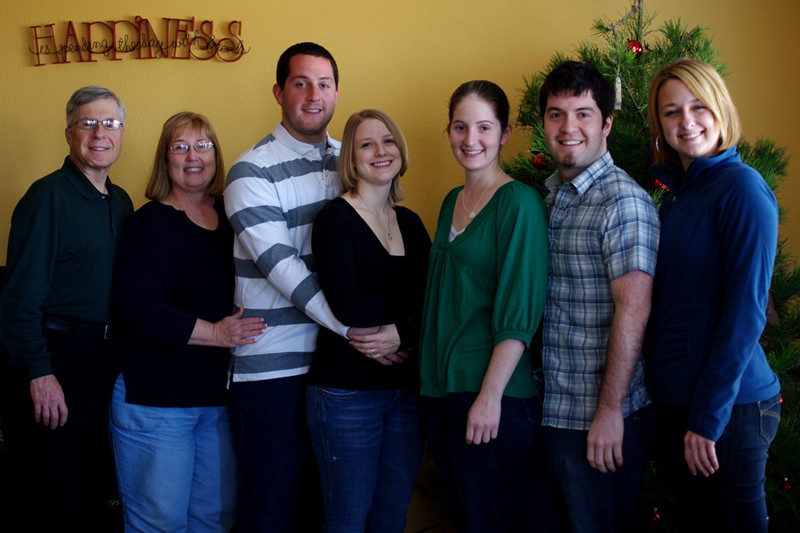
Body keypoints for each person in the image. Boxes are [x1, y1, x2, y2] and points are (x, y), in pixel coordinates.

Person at [224, 42, 391, 532]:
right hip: (274, 369)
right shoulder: (251, 171)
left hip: (338, 368)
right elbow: (288, 272)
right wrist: (358, 331)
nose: (313, 95)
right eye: (300, 83)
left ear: (337, 93)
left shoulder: (356, 160)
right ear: (279, 92)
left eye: (323, 84)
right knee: (270, 508)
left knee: (328, 509)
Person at [109, 112, 265, 532]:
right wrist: (215, 333)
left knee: (214, 519)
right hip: (156, 399)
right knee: (159, 523)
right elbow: (134, 306)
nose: (193, 156)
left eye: (203, 146)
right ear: (165, 159)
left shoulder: (231, 218)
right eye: (180, 147)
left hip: (216, 398)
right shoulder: (150, 223)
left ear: (216, 154)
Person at [645, 59, 780, 533]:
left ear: (720, 108)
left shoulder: (741, 189)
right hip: (680, 404)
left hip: (731, 409)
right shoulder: (680, 197)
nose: (687, 122)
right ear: (658, 123)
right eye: (671, 111)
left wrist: (706, 418)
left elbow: (745, 315)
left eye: (699, 106)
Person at [0, 86, 133, 532]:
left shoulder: (120, 200)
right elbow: (18, 298)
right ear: (68, 133)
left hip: (104, 361)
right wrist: (38, 372)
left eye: (110, 123)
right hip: (55, 359)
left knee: (97, 489)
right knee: (50, 496)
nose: (100, 133)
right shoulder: (47, 197)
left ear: (121, 133)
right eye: (87, 123)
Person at [418, 80, 549, 532]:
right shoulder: (452, 201)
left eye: (484, 128)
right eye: (459, 127)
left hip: (492, 395)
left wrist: (490, 396)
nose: (470, 140)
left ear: (505, 133)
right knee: (463, 518)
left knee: (490, 521)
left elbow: (520, 310)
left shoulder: (519, 203)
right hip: (442, 389)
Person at [538, 61, 660, 533]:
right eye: (556, 114)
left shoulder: (622, 201)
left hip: (600, 421)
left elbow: (634, 308)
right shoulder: (553, 199)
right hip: (554, 413)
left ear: (606, 123)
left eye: (583, 114)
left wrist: (610, 413)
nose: (569, 128)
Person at [307, 109, 430, 533]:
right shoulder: (334, 219)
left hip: (405, 394)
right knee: (346, 521)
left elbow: (435, 300)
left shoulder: (411, 224)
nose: (381, 151)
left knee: (391, 519)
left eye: (388, 141)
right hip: (347, 394)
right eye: (366, 144)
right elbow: (350, 307)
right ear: (352, 160)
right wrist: (408, 313)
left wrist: (401, 333)